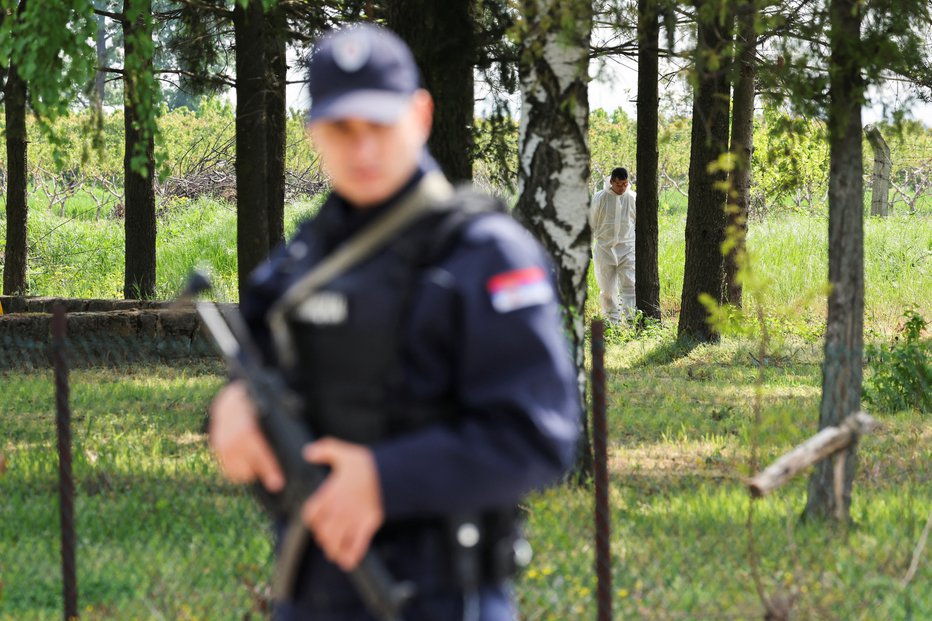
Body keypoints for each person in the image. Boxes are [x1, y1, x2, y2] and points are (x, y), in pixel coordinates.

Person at [208, 24, 581, 621]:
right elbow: (251, 374)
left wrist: (384, 479)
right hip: (310, 594)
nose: (362, 150)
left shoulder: (485, 253)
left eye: (379, 125)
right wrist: (226, 412)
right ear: (313, 134)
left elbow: (539, 436)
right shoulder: (300, 263)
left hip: (442, 599)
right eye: (340, 129)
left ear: (421, 114)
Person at [589, 167, 636, 324]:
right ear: (611, 182)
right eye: (619, 184)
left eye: (625, 184)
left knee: (630, 286)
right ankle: (613, 322)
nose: (622, 187)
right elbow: (590, 223)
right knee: (607, 289)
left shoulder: (632, 198)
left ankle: (631, 321)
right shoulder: (599, 198)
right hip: (604, 249)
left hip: (627, 248)